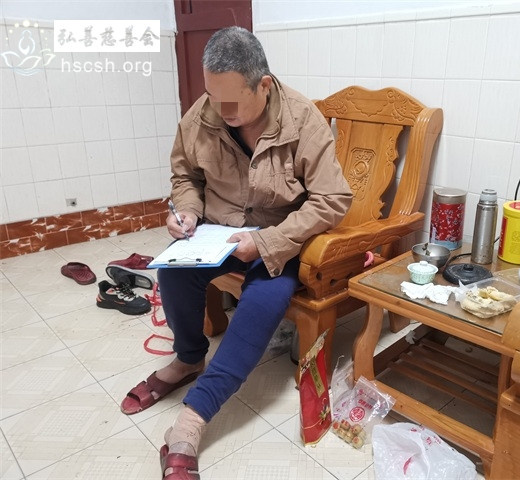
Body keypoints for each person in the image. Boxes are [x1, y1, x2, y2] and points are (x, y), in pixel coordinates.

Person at [120, 26, 352, 479]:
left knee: (265, 299)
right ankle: (190, 358)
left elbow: (332, 199)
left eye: (231, 102)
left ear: (263, 85)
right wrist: (187, 212)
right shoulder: (202, 114)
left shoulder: (302, 119)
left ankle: (193, 418)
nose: (220, 111)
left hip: (278, 237)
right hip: (219, 232)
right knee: (173, 270)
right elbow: (186, 176)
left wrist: (266, 242)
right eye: (212, 96)